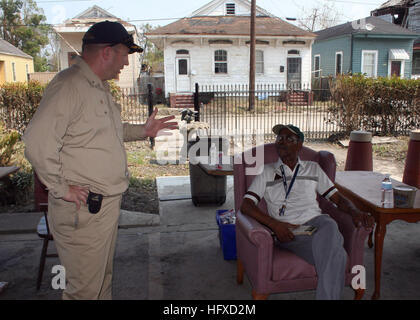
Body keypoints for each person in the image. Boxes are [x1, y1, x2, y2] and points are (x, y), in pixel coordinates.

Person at [23, 21, 178, 300]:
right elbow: (36, 141)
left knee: (100, 282)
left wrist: (143, 131)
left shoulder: (96, 87)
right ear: (108, 52)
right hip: (83, 209)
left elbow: (105, 132)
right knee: (84, 291)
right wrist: (60, 188)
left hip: (101, 206)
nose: (126, 62)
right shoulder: (70, 85)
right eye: (124, 54)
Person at [240, 124, 374, 300]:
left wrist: (355, 211)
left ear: (299, 145)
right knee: (337, 255)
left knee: (328, 224)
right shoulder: (267, 171)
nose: (282, 142)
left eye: (289, 138)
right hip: (289, 231)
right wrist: (274, 225)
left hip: (317, 224)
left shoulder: (313, 168)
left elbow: (337, 199)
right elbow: (246, 205)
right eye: (279, 138)